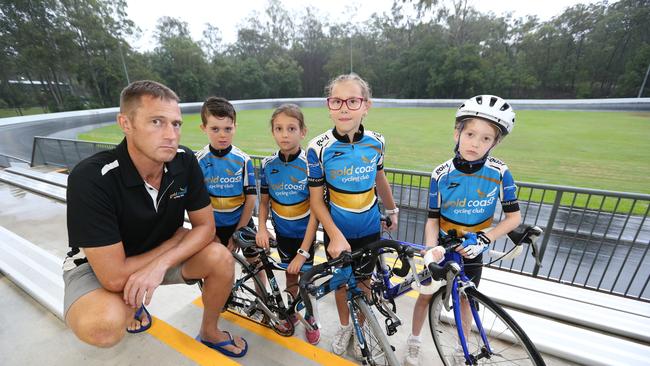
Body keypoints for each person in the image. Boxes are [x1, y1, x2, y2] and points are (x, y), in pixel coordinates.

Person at [63, 80, 248, 357]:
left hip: (163, 254)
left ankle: (210, 331)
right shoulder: (91, 178)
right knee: (102, 327)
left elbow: (206, 227)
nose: (171, 134)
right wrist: (171, 243)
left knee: (221, 258)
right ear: (126, 123)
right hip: (99, 266)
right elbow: (113, 277)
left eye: (175, 124)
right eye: (157, 122)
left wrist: (160, 264)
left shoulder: (184, 160)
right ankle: (133, 303)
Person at [404, 95, 522, 366]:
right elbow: (432, 218)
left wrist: (485, 238)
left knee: (466, 299)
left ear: (495, 142)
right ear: (457, 132)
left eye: (486, 138)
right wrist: (430, 248)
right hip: (443, 247)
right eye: (470, 134)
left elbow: (513, 218)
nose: (476, 143)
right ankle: (414, 340)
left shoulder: (500, 172)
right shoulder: (440, 173)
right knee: (424, 296)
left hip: (474, 249)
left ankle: (461, 348)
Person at [306, 73, 399, 359]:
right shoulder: (317, 147)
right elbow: (316, 201)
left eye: (352, 101)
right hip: (339, 232)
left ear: (365, 106)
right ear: (328, 105)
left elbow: (379, 177)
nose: (344, 108)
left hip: (370, 226)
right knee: (342, 284)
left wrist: (392, 209)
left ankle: (362, 328)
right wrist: (334, 234)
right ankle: (346, 327)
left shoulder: (377, 141)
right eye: (337, 101)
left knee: (364, 284)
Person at [255, 104, 320, 345]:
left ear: (302, 132)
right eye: (279, 128)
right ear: (272, 132)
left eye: (291, 128)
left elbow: (316, 210)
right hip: (282, 234)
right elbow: (263, 203)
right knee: (290, 279)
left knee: (306, 281)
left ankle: (311, 318)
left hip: (306, 235)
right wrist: (262, 228)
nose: (285, 134)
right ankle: (292, 312)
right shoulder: (267, 164)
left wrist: (304, 250)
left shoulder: (310, 164)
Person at [196, 97, 256, 251]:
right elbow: (196, 202)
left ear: (235, 127)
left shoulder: (244, 160)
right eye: (215, 129)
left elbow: (251, 198)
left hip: (242, 223)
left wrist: (238, 232)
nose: (222, 135)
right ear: (203, 128)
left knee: (257, 265)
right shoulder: (198, 161)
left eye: (227, 129)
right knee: (218, 268)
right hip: (212, 227)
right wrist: (211, 232)